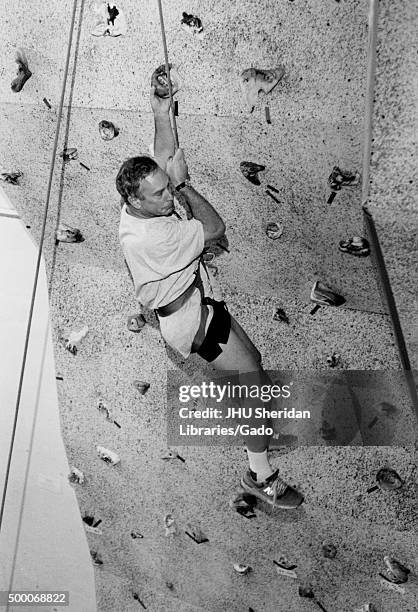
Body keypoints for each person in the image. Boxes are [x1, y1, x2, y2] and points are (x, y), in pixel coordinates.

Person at [116, 86, 303, 510]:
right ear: (135, 198)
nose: (166, 198)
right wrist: (183, 187)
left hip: (196, 303)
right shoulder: (155, 235)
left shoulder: (133, 207)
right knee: (252, 385)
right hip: (190, 320)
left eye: (165, 188)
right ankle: (261, 474)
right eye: (159, 194)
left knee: (251, 363)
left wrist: (161, 113)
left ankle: (259, 432)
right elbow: (215, 228)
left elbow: (163, 157)